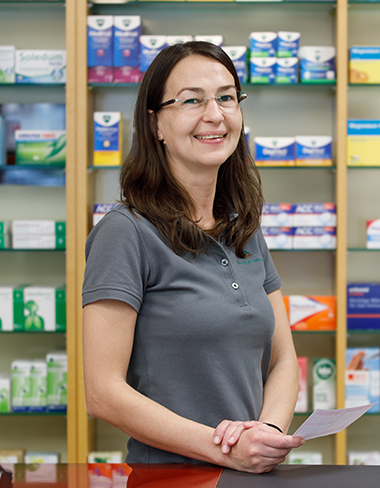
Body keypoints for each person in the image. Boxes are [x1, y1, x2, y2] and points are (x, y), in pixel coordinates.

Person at [82, 41, 304, 473]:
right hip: (169, 478)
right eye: (191, 101)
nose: (215, 115)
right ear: (156, 125)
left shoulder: (244, 229)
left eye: (226, 97)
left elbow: (283, 360)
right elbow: (102, 391)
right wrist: (224, 449)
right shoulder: (125, 233)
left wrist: (267, 437)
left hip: (247, 477)